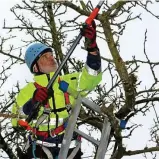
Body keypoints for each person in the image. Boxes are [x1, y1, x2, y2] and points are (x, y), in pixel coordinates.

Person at [11, 20, 102, 159]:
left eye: (51, 54)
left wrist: (93, 49)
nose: (51, 58)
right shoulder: (27, 91)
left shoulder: (68, 82)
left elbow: (92, 77)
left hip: (69, 148)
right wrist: (33, 101)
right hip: (40, 148)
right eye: (45, 57)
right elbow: (16, 120)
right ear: (35, 67)